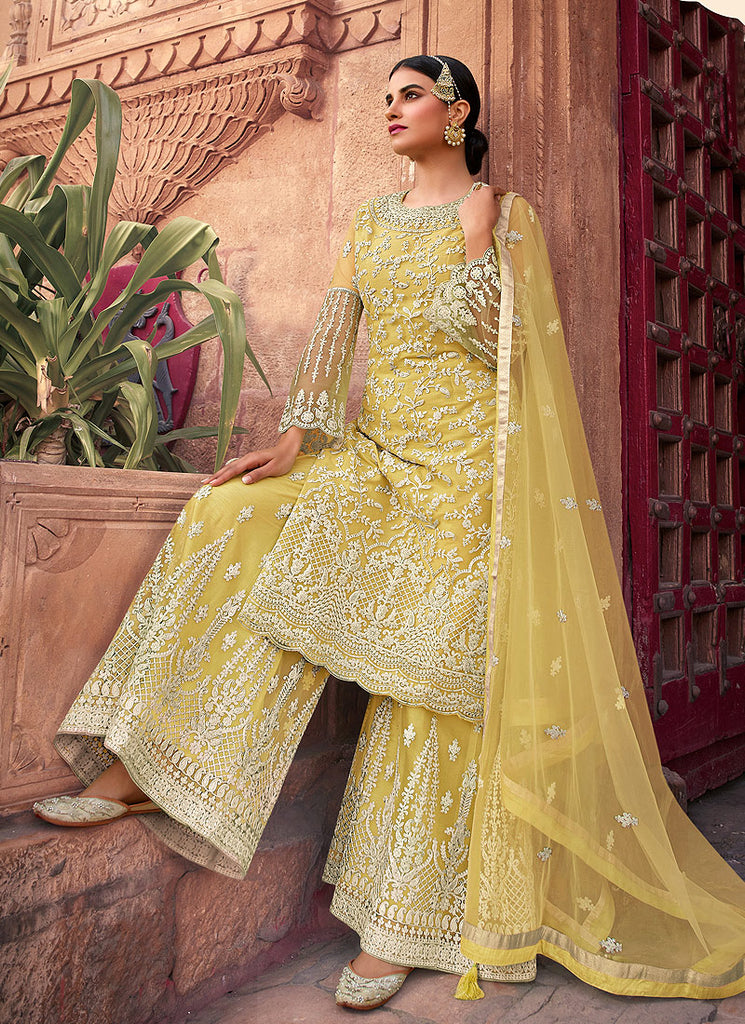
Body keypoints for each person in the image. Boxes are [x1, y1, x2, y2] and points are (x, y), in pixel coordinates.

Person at [32, 55, 745, 1011]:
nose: (391, 111)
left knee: (429, 674)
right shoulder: (370, 221)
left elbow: (513, 361)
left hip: (469, 484)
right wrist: (291, 442)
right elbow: (332, 342)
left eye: (409, 95)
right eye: (385, 99)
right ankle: (149, 763)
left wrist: (477, 239)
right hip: (374, 459)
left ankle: (399, 922)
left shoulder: (505, 218)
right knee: (232, 514)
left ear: (456, 113)